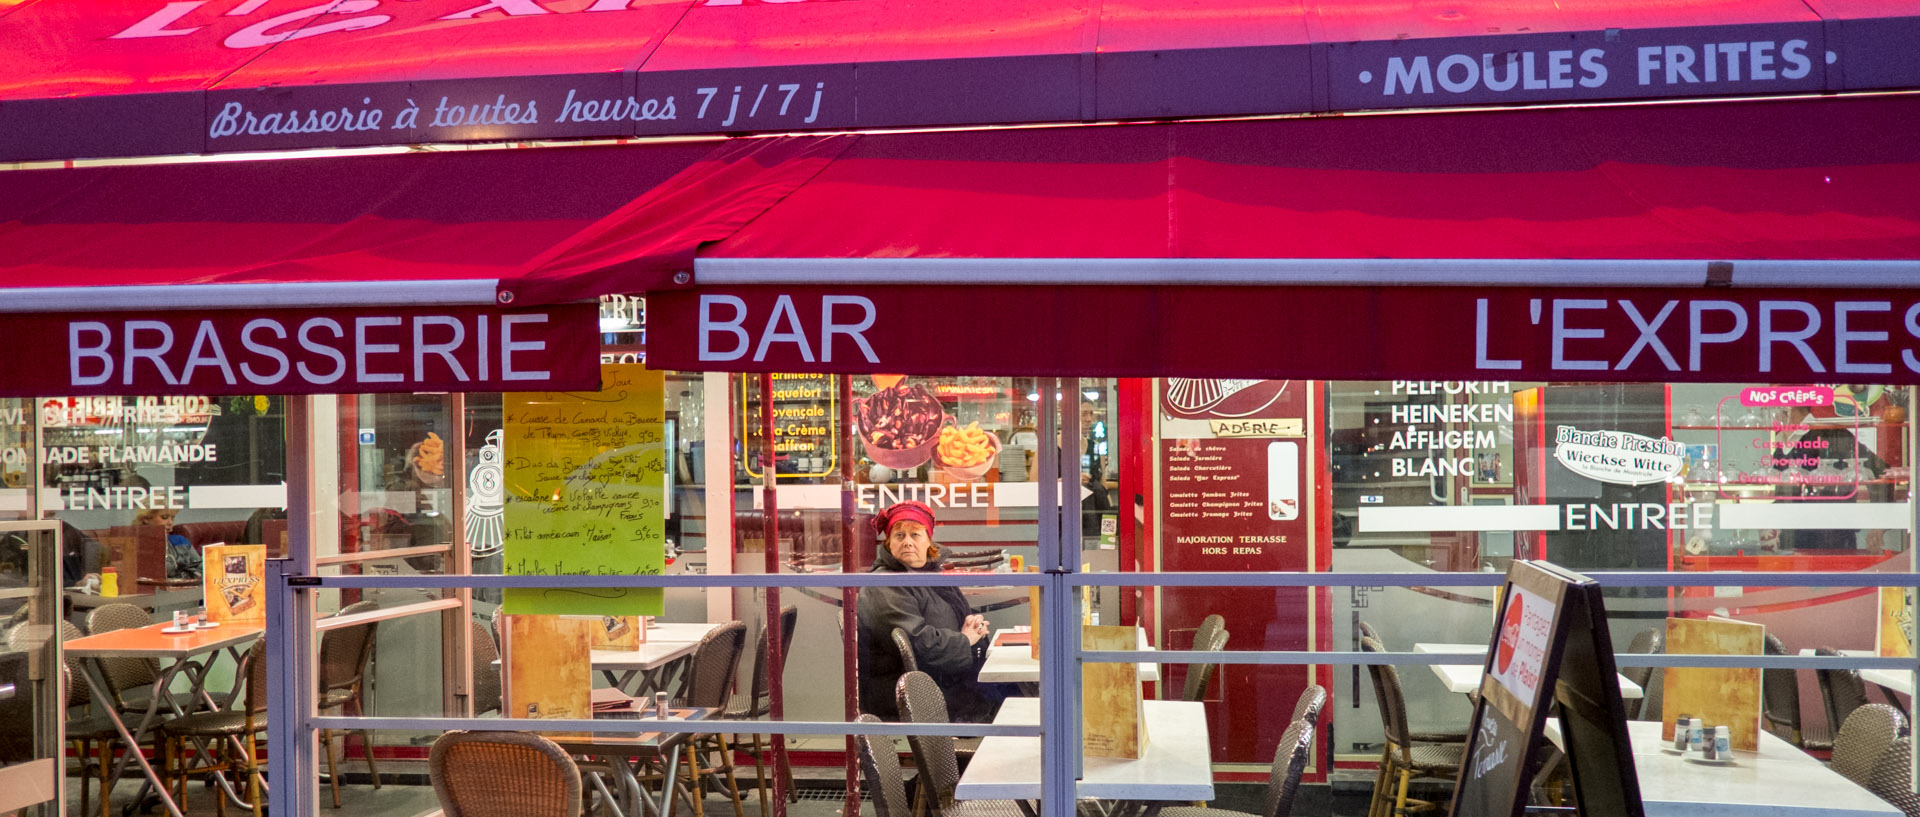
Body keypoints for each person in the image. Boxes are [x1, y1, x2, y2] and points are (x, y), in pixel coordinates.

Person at [857, 501, 998, 721]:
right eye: (899, 536)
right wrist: (963, 640)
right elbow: (915, 643)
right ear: (888, 544)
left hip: (941, 683)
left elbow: (953, 616)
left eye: (915, 535)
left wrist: (974, 627)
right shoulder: (884, 584)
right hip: (910, 697)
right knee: (1011, 701)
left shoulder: (930, 573)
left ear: (928, 540)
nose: (907, 543)